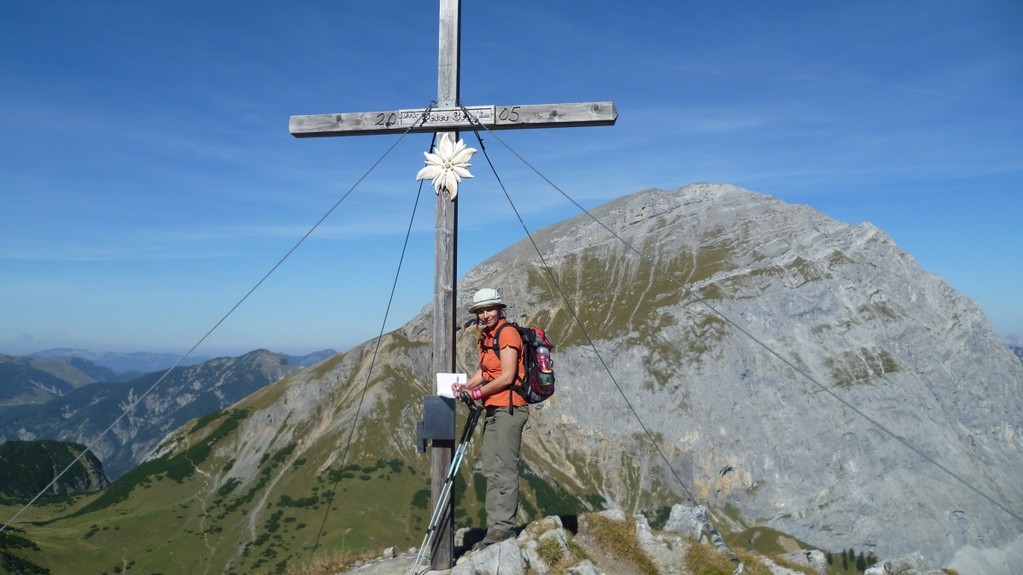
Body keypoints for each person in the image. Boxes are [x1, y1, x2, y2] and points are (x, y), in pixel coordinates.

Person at [453, 287, 528, 550]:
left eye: (489, 309)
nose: (485, 315)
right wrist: (465, 388)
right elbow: (485, 371)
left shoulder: (507, 333)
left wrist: (476, 392)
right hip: (494, 409)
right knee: (492, 468)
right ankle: (495, 527)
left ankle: (503, 529)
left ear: (500, 309)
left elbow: (507, 376)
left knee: (505, 468)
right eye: (480, 311)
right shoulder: (488, 336)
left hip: (510, 408)